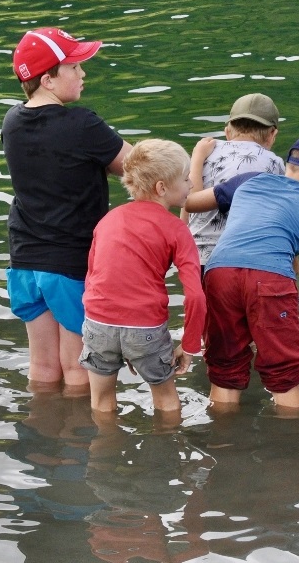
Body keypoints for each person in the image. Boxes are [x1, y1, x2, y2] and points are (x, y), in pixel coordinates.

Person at [187, 133, 299, 409]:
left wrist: (197, 161)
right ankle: (290, 446)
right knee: (284, 376)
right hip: (269, 278)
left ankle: (221, 442)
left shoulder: (248, 180)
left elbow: (190, 202)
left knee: (225, 370)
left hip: (218, 272)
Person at [2, 27, 132, 391]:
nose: (83, 73)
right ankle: (79, 442)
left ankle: (41, 438)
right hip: (69, 264)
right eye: (74, 67)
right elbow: (136, 166)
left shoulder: (11, 122)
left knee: (43, 368)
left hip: (24, 259)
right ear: (49, 79)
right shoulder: (82, 123)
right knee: (78, 370)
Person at [79, 139, 206, 418]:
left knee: (100, 403)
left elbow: (92, 276)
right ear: (162, 187)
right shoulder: (176, 229)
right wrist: (189, 343)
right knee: (167, 402)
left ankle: (103, 457)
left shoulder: (108, 220)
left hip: (98, 323)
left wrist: (120, 339)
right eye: (186, 179)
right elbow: (196, 295)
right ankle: (166, 456)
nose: (192, 185)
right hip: (144, 327)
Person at [186, 92, 285, 268]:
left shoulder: (206, 152)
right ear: (272, 134)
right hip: (248, 258)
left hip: (199, 256)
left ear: (227, 132)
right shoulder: (274, 163)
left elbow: (188, 202)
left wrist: (197, 157)